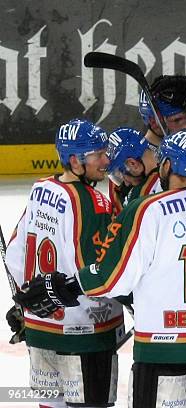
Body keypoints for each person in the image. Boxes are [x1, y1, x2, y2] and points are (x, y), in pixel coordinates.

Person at [14, 129, 186, 408]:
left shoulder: (148, 209)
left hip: (161, 350)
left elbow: (117, 278)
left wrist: (67, 287)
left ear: (167, 165)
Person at [6, 119, 124, 407]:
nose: (106, 160)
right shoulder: (95, 203)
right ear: (75, 160)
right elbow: (99, 272)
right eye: (97, 154)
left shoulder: (40, 189)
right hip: (85, 331)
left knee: (52, 403)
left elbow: (14, 253)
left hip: (40, 324)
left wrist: (27, 303)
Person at [105, 126, 161, 215]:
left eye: (122, 175)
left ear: (132, 164)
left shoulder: (139, 197)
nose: (126, 184)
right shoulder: (175, 171)